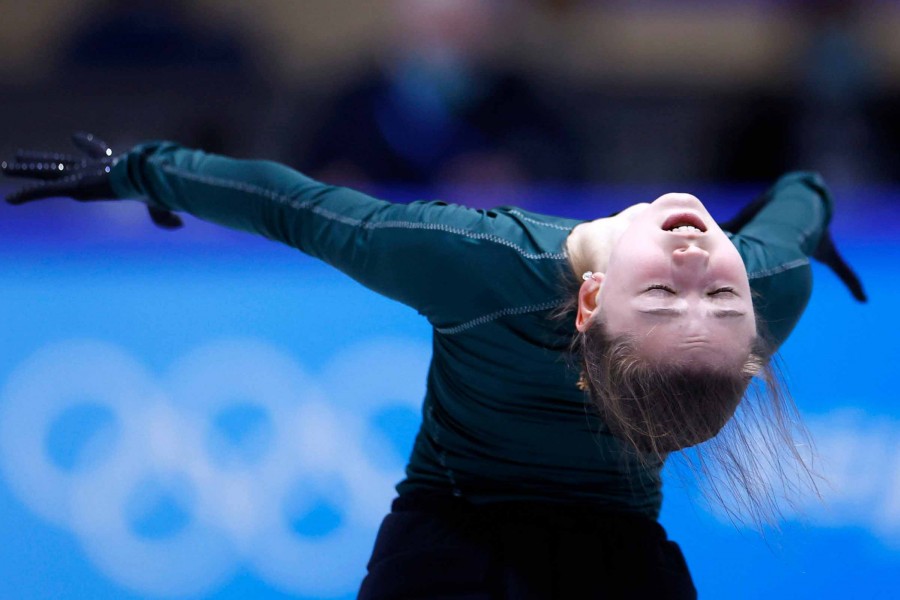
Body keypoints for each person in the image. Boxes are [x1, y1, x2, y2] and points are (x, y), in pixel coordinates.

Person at [2, 134, 865, 598]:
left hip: (496, 553)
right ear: (754, 343)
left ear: (592, 305)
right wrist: (798, 211)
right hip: (497, 550)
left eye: (669, 302)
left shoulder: (470, 263)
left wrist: (138, 170)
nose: (696, 277)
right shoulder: (768, 283)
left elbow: (296, 209)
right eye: (717, 300)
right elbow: (804, 202)